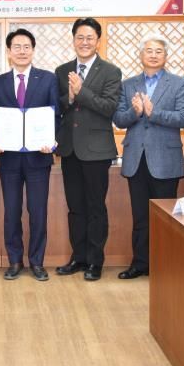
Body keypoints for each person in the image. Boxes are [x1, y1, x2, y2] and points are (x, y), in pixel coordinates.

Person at [114, 34, 184, 279]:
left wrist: (153, 112)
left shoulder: (179, 83)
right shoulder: (128, 84)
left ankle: (164, 266)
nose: (154, 55)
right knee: (140, 217)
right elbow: (119, 119)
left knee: (165, 218)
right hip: (136, 159)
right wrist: (135, 112)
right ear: (141, 55)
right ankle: (139, 264)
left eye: (159, 51)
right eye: (149, 50)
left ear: (166, 56)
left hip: (165, 160)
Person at [54, 18, 121, 281]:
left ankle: (95, 261)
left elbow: (109, 107)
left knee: (95, 207)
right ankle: (78, 257)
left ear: (98, 41)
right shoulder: (62, 70)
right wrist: (69, 97)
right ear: (73, 40)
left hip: (97, 151)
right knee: (75, 208)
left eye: (89, 37)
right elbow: (57, 107)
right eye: (80, 37)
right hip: (69, 149)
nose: (84, 42)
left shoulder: (111, 71)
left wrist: (81, 92)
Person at [0, 29, 59, 282]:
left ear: (33, 50)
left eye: (26, 46)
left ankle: (37, 262)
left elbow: (55, 115)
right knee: (11, 212)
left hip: (39, 157)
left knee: (38, 212)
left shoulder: (48, 79)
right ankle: (15, 261)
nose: (22, 51)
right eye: (17, 47)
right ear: (8, 52)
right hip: (8, 157)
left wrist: (52, 141)